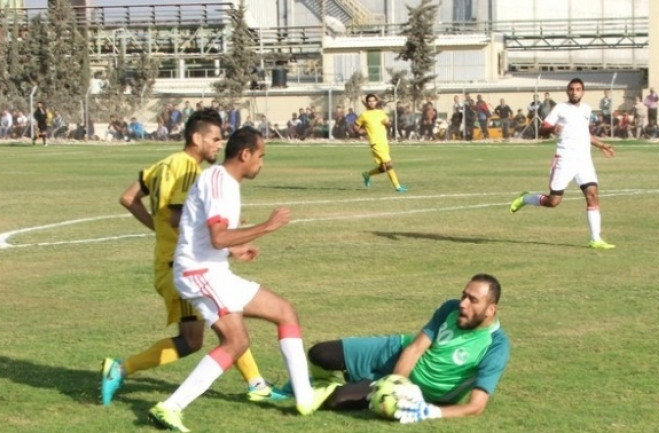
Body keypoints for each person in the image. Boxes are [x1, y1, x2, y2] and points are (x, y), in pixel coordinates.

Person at [148, 127, 335, 432]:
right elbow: (218, 236)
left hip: (212, 271)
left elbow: (203, 233)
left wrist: (235, 249)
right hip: (199, 275)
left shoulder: (224, 182)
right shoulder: (220, 182)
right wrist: (267, 226)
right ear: (245, 154)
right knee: (235, 341)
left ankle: (304, 398)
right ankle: (170, 407)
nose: (262, 163)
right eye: (261, 156)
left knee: (284, 312)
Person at [101, 110, 283, 408]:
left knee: (227, 316)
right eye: (214, 138)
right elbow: (175, 215)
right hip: (184, 265)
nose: (218, 144)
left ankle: (256, 383)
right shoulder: (187, 168)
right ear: (196, 138)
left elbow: (129, 197)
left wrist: (158, 228)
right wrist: (217, 225)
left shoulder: (163, 163)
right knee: (194, 339)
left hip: (174, 259)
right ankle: (121, 369)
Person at [303, 273, 509, 422]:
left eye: (473, 300)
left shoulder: (496, 346)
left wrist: (429, 411)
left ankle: (325, 388)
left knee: (337, 400)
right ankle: (322, 381)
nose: (463, 304)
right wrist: (396, 383)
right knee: (320, 353)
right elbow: (415, 349)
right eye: (464, 295)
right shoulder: (450, 309)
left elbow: (475, 407)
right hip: (396, 351)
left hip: (417, 394)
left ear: (491, 310)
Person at [509, 78, 616, 249]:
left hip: (584, 161)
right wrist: (552, 129)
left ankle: (595, 239)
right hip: (564, 159)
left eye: (578, 89)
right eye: (571, 89)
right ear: (568, 91)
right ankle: (527, 198)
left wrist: (601, 145)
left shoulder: (587, 109)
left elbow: (583, 134)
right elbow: (543, 128)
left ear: (583, 91)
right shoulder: (560, 108)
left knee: (592, 195)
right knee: (553, 202)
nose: (574, 92)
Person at [354, 94, 406, 192]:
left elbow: (388, 124)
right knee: (389, 164)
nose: (372, 102)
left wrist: (388, 124)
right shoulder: (364, 115)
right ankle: (397, 186)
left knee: (383, 168)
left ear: (376, 101)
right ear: (367, 103)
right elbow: (356, 126)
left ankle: (367, 174)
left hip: (384, 142)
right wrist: (362, 132)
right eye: (369, 101)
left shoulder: (381, 113)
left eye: (373, 100)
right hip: (375, 143)